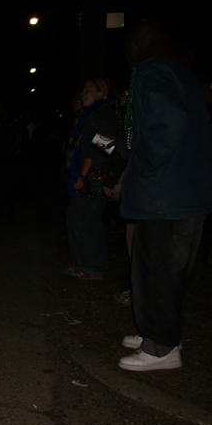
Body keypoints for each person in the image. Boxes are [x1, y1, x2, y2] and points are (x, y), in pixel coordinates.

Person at [117, 20, 212, 371]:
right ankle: (160, 332)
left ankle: (162, 348)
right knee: (170, 273)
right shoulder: (181, 72)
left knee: (156, 271)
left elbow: (167, 123)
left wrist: (141, 165)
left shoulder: (151, 68)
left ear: (138, 45)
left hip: (164, 195)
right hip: (187, 192)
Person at [62, 78, 119, 280]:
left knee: (78, 218)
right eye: (82, 90)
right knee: (91, 220)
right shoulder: (97, 115)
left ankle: (87, 266)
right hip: (97, 176)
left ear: (101, 94)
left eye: (88, 90)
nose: (83, 94)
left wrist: (83, 175)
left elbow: (100, 147)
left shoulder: (101, 115)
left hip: (94, 177)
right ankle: (92, 265)